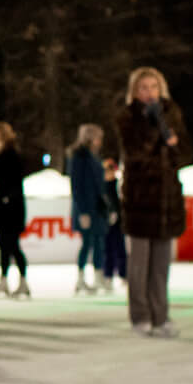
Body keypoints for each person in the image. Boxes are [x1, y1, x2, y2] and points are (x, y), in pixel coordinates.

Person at [116, 66, 190, 336]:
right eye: (143, 88)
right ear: (135, 92)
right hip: (140, 199)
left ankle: (161, 316)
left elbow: (185, 153)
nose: (149, 93)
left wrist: (172, 139)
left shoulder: (172, 114)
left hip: (167, 199)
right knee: (139, 265)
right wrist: (152, 128)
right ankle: (140, 316)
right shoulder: (127, 118)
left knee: (161, 266)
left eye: (153, 87)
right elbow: (135, 154)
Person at [0, 121, 29, 299]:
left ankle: (22, 281)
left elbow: (14, 182)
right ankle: (4, 280)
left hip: (11, 207)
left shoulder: (10, 155)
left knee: (12, 246)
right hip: (3, 206)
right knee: (4, 245)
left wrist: (1, 189)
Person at [68, 123, 109, 297]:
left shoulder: (94, 157)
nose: (100, 142)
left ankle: (98, 275)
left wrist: (108, 207)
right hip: (86, 207)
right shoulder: (79, 157)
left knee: (99, 242)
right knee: (87, 243)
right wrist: (83, 211)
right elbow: (76, 185)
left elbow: (100, 185)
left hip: (97, 208)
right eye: (98, 138)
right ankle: (80, 278)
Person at [100, 157, 127, 290]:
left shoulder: (118, 185)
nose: (108, 172)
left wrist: (118, 213)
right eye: (106, 169)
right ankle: (108, 275)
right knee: (107, 249)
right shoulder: (101, 187)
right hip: (106, 223)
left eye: (111, 169)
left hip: (119, 223)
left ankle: (123, 275)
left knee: (120, 248)